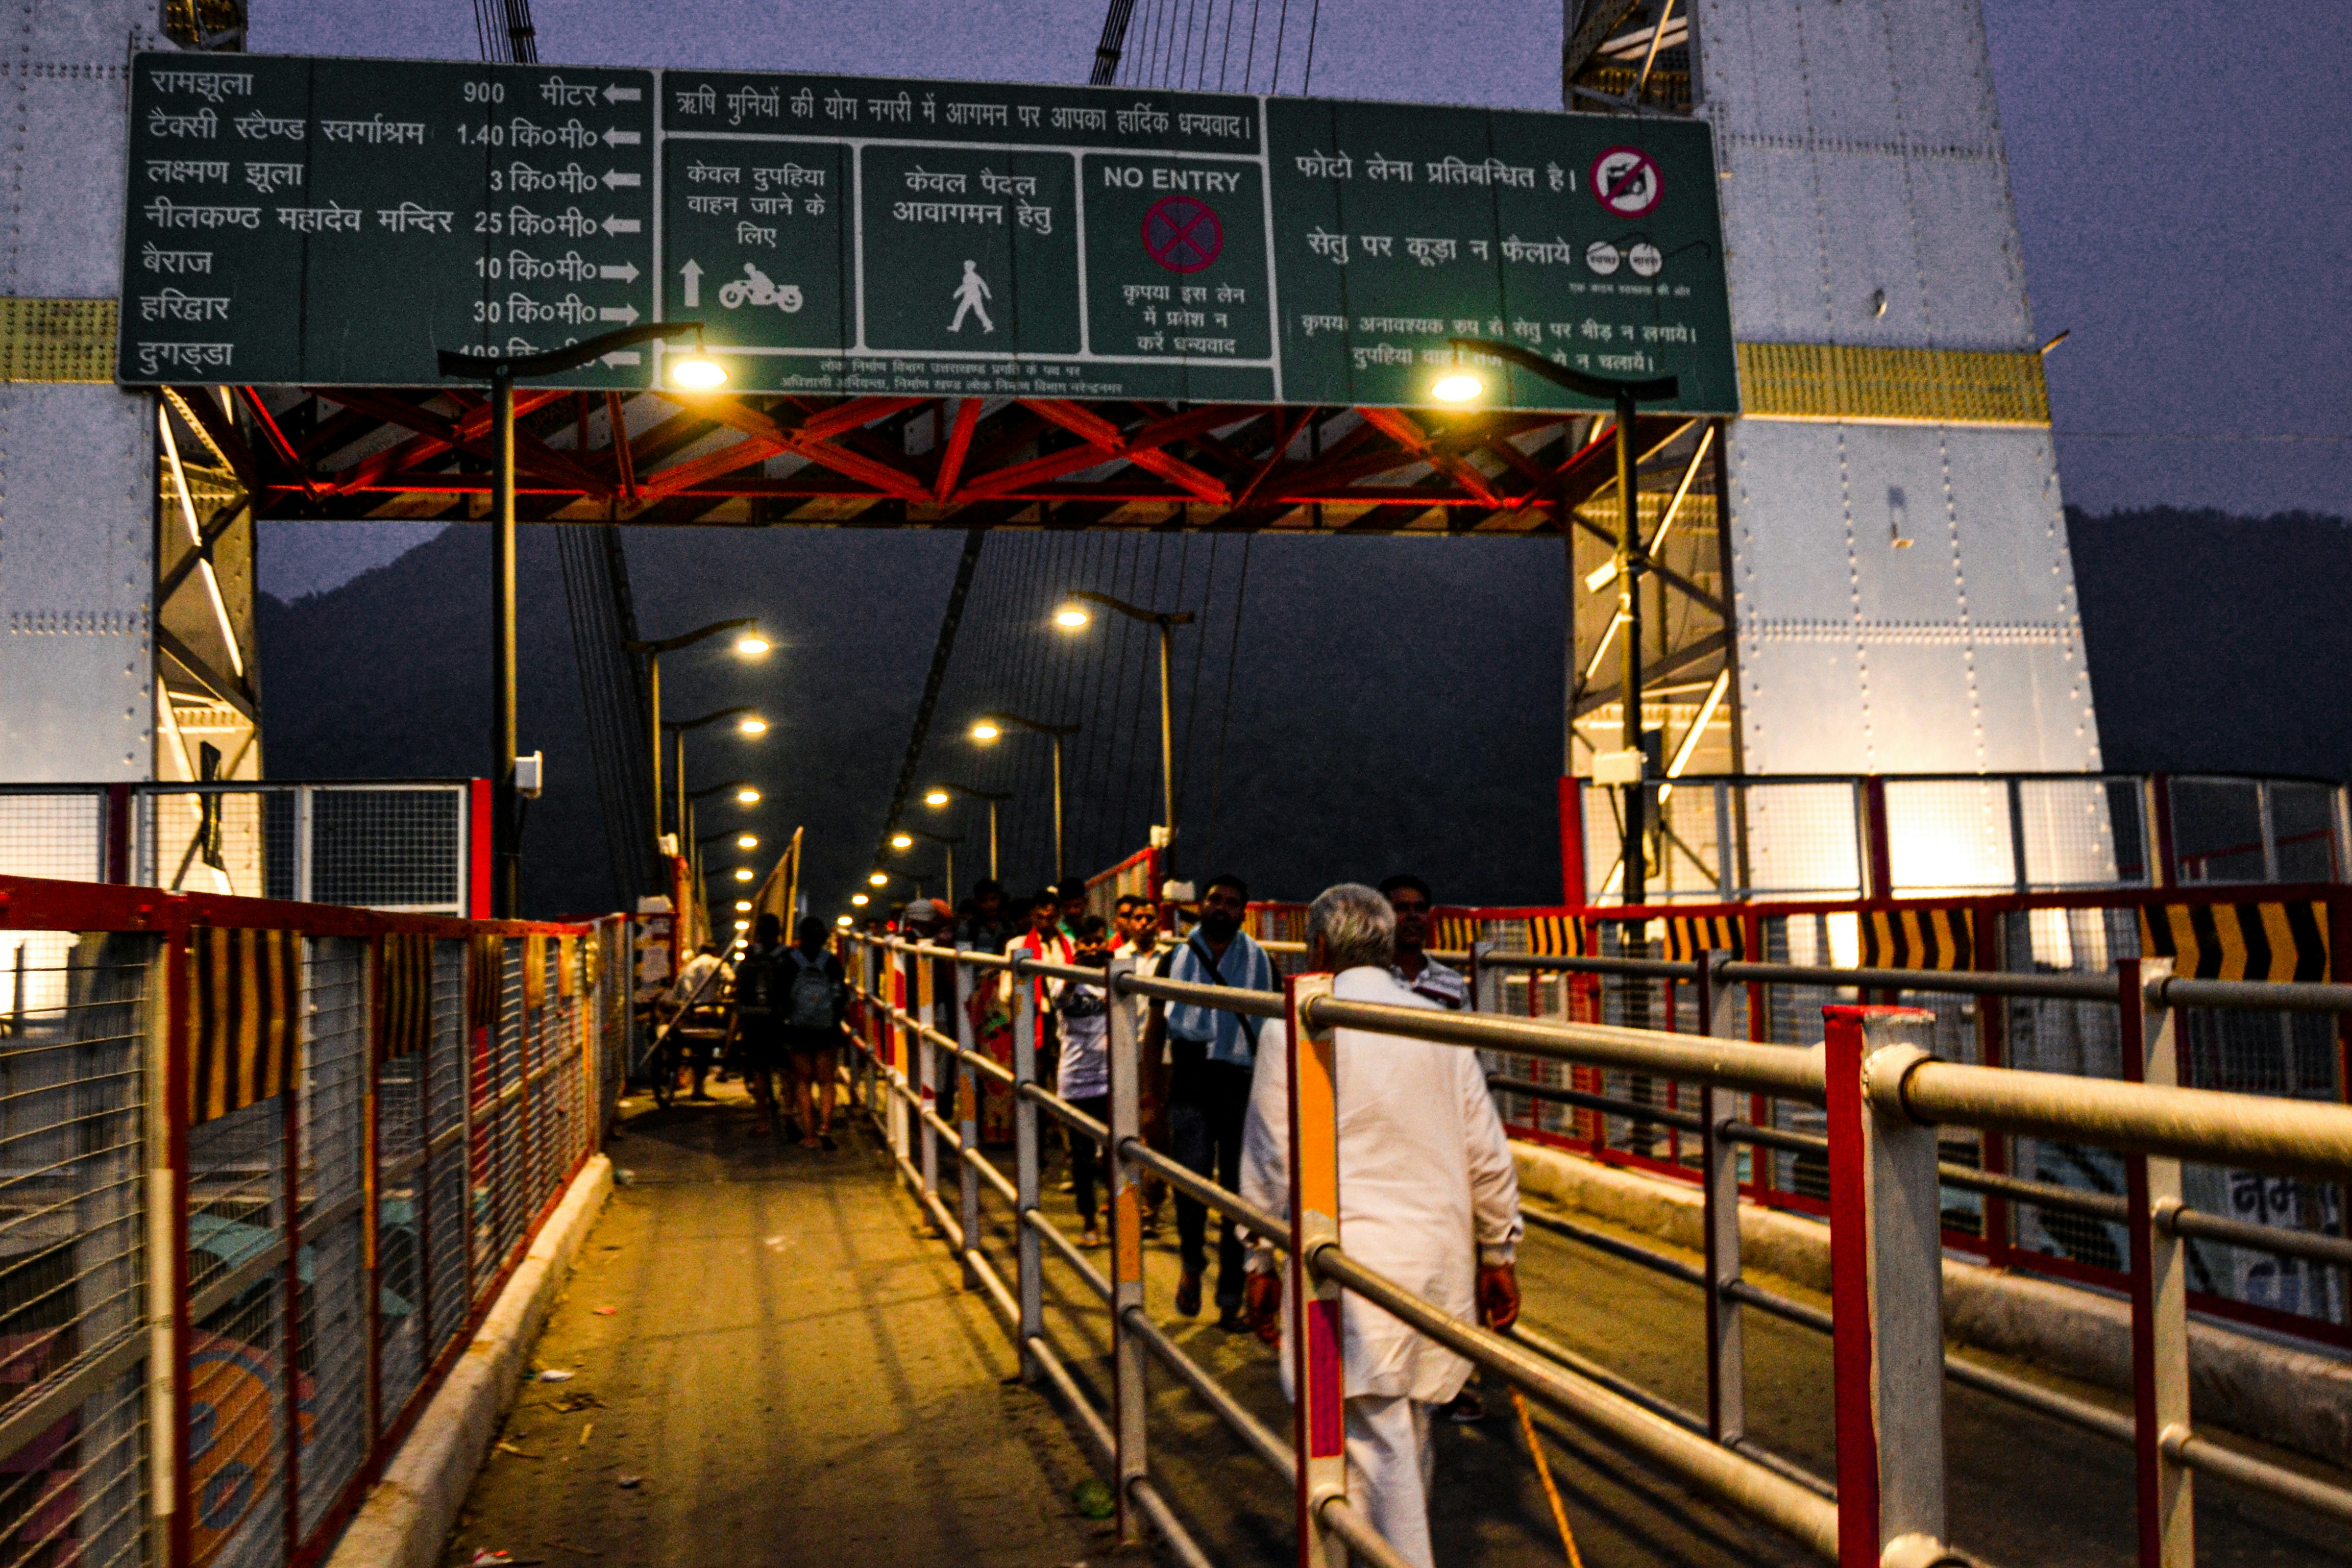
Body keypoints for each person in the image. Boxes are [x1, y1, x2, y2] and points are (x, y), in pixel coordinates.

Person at [1238, 884, 1523, 1568]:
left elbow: (1271, 1156)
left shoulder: (1293, 1026)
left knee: (1377, 1440)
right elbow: (1487, 1149)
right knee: (1397, 1436)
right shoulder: (1437, 1021)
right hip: (1433, 1266)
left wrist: (1258, 1262)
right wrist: (1497, 1248)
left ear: (1318, 948)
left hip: (1343, 1273)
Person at [1153, 873, 1277, 1328]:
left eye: (1231, 902)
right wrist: (1150, 1095)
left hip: (1240, 1085)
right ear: (1201, 906)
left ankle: (1229, 1295)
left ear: (1244, 911)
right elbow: (1154, 1029)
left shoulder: (1262, 962)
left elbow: (1275, 1033)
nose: (1221, 908)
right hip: (1188, 1079)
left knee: (1237, 1194)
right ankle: (1191, 1260)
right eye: (1214, 900)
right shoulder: (1175, 958)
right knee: (1191, 1180)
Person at [1110, 894, 1168, 1237]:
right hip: (1124, 1051)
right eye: (1138, 918)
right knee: (1125, 1128)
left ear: (1158, 922)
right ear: (1128, 923)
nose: (1144, 923)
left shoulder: (1171, 959)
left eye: (1149, 918)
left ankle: (1151, 1205)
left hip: (1161, 1055)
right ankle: (1127, 1201)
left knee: (1158, 1129)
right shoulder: (1115, 958)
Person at [1058, 916, 1114, 1247]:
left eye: (1098, 941)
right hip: (1076, 1082)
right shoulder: (1065, 979)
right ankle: (1089, 1220)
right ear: (1076, 946)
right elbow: (1061, 998)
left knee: (1113, 1156)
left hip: (1108, 1081)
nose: (1093, 948)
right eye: (1086, 943)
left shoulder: (1113, 977)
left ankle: (1114, 1219)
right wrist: (1075, 971)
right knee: (1081, 1158)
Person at [779, 915, 848, 1149]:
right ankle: (826, 1128)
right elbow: (842, 994)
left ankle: (809, 1135)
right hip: (827, 1028)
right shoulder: (831, 961)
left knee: (803, 1082)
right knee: (827, 1081)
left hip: (798, 1028)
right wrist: (835, 1019)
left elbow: (781, 997)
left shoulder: (789, 961)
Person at [725, 921, 790, 1132]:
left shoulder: (750, 953)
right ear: (778, 934)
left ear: (759, 934)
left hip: (753, 1020)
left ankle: (763, 1123)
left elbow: (739, 984)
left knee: (759, 1072)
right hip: (779, 1020)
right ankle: (789, 1113)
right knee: (787, 1070)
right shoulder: (787, 955)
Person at [1380, 875, 1468, 1011]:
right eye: (1402, 908)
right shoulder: (1368, 978)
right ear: (1382, 916)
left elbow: (1465, 1031)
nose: (1413, 916)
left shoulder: (1453, 982)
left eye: (1420, 908)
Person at [666, 942, 730, 1100]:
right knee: (706, 1050)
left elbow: (676, 996)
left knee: (690, 1049)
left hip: (689, 1019)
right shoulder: (717, 963)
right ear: (714, 951)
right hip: (710, 1017)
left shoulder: (687, 968)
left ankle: (679, 1085)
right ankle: (700, 1088)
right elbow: (731, 979)